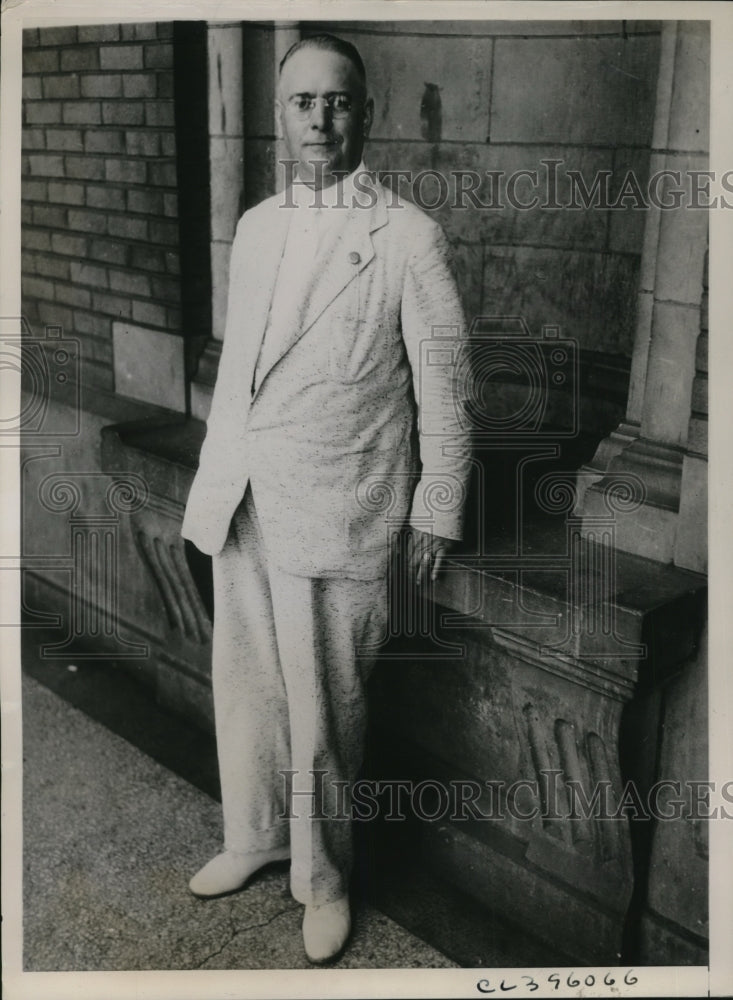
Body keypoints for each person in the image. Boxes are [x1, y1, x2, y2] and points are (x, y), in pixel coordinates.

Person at [181, 33, 472, 963]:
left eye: (338, 101)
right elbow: (243, 375)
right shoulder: (258, 226)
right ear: (282, 114)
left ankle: (325, 880)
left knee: (325, 713)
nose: (320, 119)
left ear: (367, 114)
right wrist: (215, 483)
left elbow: (447, 386)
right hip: (247, 498)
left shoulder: (407, 237)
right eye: (303, 102)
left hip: (343, 503)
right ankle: (255, 838)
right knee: (249, 690)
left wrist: (435, 507)